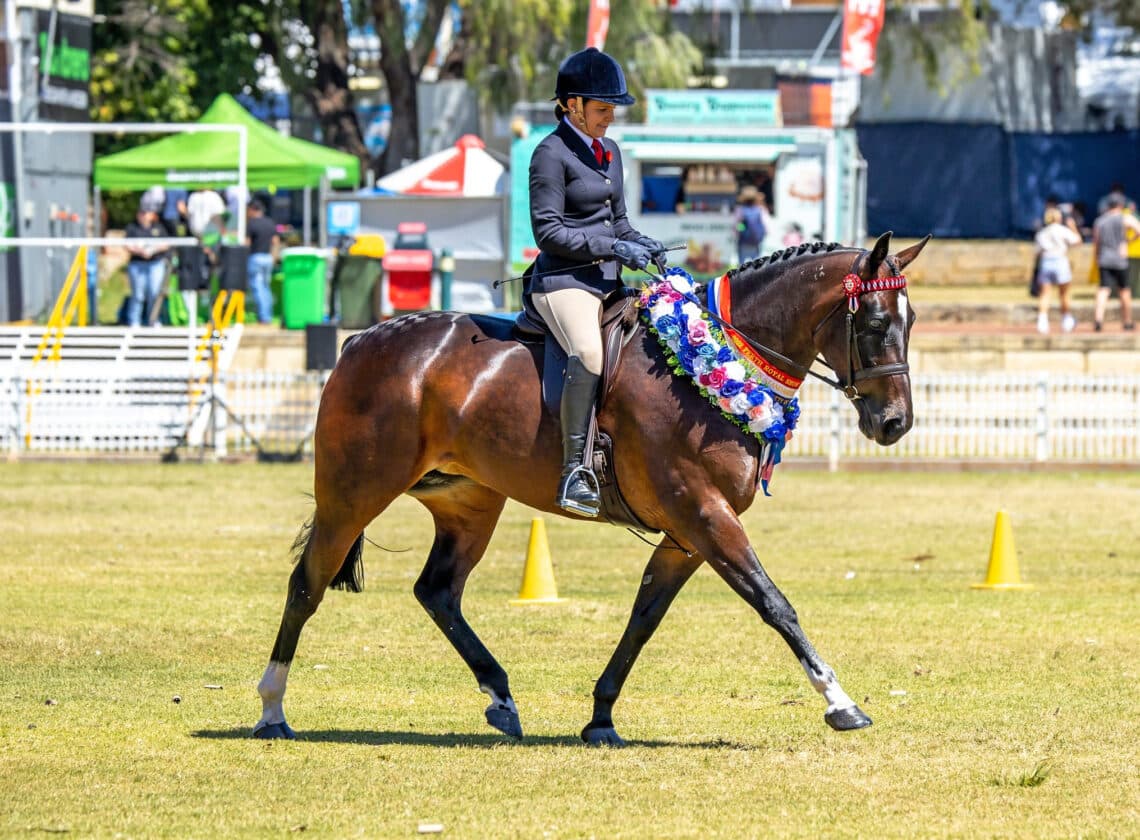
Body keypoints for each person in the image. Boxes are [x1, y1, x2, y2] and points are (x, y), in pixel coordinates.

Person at [527, 46, 666, 517]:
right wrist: (612, 247)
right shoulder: (550, 154)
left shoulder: (611, 153)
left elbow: (619, 222)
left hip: (607, 281)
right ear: (572, 106)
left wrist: (642, 244)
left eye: (612, 110)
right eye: (602, 109)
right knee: (587, 352)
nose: (609, 118)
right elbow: (547, 230)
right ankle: (574, 472)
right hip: (564, 281)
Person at [1092, 194, 1140, 331]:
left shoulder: (1100, 221)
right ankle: (1127, 321)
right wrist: (1129, 241)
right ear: (1121, 205)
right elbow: (1138, 229)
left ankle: (1098, 319)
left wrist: (1097, 257)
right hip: (1120, 259)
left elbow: (1096, 242)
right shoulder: (1124, 218)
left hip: (1104, 258)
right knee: (1124, 290)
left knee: (1103, 289)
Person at [1033, 207, 1082, 333]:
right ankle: (1066, 320)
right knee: (1064, 293)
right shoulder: (1063, 230)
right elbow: (1077, 241)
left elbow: (1037, 252)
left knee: (1045, 294)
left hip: (1046, 262)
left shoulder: (1042, 233)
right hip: (1060, 261)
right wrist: (1073, 227)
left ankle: (1042, 322)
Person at [124, 202, 170, 327]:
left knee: (154, 293)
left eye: (146, 213)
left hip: (155, 263)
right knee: (138, 294)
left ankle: (153, 319)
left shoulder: (158, 228)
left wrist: (153, 250)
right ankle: (134, 321)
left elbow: (166, 244)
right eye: (142, 213)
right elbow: (127, 245)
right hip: (137, 263)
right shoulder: (132, 228)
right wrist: (140, 251)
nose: (144, 216)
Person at [245, 198, 279, 324]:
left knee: (258, 287)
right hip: (268, 258)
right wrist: (273, 257)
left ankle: (264, 317)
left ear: (252, 209)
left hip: (255, 258)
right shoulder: (270, 222)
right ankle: (268, 314)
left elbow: (246, 243)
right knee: (266, 287)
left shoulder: (251, 223)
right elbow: (275, 242)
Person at [734, 185, 766, 265]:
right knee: (757, 266)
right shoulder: (760, 210)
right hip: (756, 242)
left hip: (743, 242)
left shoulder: (740, 210)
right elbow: (766, 227)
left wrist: (742, 230)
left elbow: (737, 227)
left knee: (741, 267)